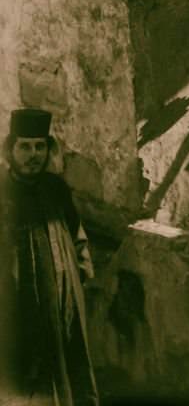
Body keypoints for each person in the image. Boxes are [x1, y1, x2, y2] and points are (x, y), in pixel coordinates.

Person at [0, 108, 99, 406]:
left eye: (39, 146)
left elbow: (77, 237)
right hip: (16, 315)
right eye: (25, 147)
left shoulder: (56, 189)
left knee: (70, 376)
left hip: (64, 310)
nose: (33, 154)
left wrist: (78, 279)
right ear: (11, 149)